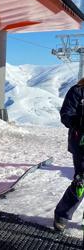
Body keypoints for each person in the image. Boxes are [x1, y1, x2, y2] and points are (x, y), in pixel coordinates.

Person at [54, 78, 84, 232]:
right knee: (82, 182)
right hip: (81, 143)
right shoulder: (78, 91)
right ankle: (62, 214)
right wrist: (79, 120)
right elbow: (66, 114)